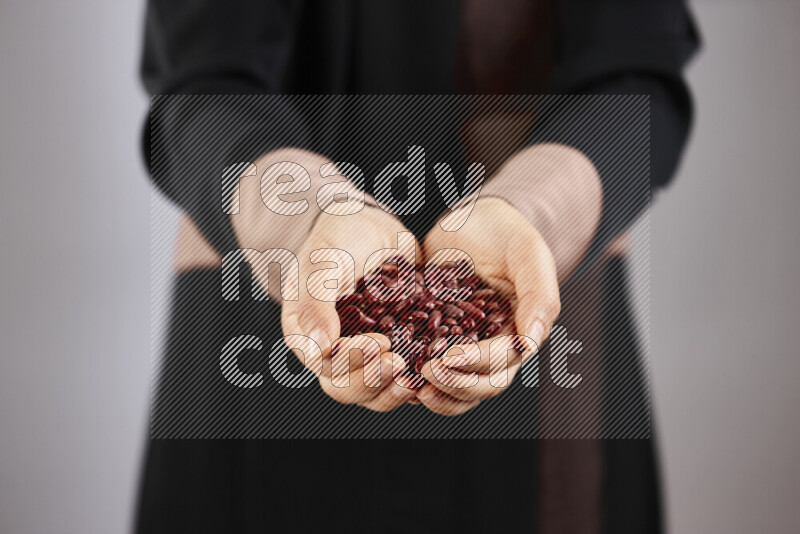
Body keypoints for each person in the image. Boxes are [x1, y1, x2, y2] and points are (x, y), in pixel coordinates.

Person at [136, 1, 699, 532]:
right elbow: (202, 85)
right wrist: (307, 216)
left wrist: (533, 209)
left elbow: (636, 77)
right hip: (275, 310)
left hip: (539, 297)